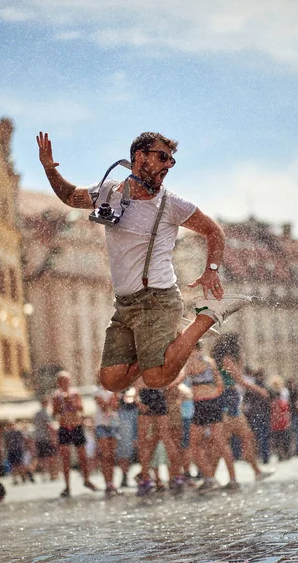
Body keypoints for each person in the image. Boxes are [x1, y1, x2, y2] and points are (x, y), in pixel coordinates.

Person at [37, 131, 249, 394]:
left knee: (156, 378)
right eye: (162, 157)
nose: (167, 166)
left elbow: (214, 231)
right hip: (125, 304)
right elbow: (68, 195)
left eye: (171, 161)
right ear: (140, 156)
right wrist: (48, 169)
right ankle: (159, 347)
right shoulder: (108, 192)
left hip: (157, 297)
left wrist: (211, 271)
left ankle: (206, 317)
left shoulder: (171, 204)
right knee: (112, 381)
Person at [212, 334, 273, 481]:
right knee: (227, 441)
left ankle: (254, 471)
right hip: (228, 401)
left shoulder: (224, 360)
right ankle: (213, 476)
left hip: (228, 401)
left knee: (239, 438)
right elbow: (240, 380)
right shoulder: (227, 360)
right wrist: (260, 390)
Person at [185, 343, 237, 492]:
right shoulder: (210, 362)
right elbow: (220, 383)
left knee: (195, 445)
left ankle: (210, 478)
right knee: (219, 442)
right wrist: (213, 395)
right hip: (212, 402)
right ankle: (231, 479)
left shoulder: (193, 362)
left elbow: (187, 373)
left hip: (202, 404)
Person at [52, 371, 98, 497]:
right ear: (58, 382)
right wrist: (62, 404)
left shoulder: (75, 393)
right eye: (62, 381)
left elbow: (81, 408)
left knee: (82, 456)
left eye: (67, 380)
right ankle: (67, 485)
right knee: (65, 458)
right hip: (64, 427)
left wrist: (70, 402)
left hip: (76, 426)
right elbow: (54, 412)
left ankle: (86, 479)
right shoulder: (56, 395)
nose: (65, 383)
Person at [94, 385, 121, 495]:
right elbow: (104, 407)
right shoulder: (97, 391)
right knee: (105, 455)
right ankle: (107, 483)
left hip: (113, 424)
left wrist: (113, 398)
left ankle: (112, 483)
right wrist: (113, 397)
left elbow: (115, 406)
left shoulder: (113, 391)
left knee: (111, 455)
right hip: (101, 425)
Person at [33, 396, 58, 481]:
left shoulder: (36, 414)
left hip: (38, 438)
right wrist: (54, 437)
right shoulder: (46, 413)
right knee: (51, 456)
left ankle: (44, 474)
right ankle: (52, 475)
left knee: (42, 457)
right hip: (46, 438)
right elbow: (49, 426)